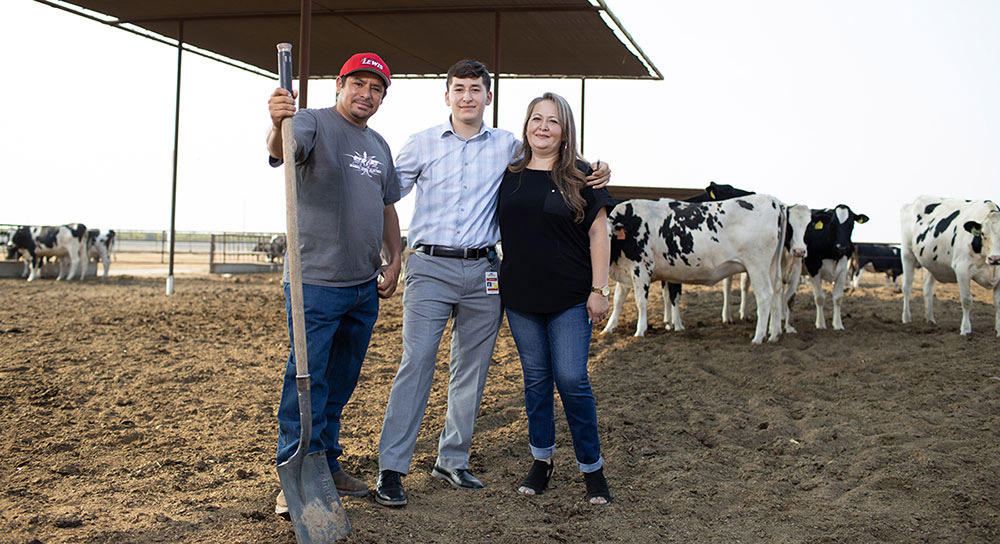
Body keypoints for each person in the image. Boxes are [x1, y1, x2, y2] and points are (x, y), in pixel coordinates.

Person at [374, 60, 610, 507]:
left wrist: (598, 167)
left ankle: (452, 460)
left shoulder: (507, 147)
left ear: (489, 97)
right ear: (446, 96)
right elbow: (384, 196)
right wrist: (387, 254)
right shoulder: (420, 145)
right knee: (417, 361)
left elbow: (558, 159)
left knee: (472, 370)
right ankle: (392, 468)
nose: (467, 97)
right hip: (430, 266)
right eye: (458, 89)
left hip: (485, 271)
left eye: (475, 89)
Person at [266, 52, 402, 515]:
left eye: (376, 88)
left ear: (383, 97)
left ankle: (325, 462)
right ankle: (295, 475)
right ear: (339, 85)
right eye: (358, 84)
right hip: (315, 282)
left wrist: (395, 258)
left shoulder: (380, 146)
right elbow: (284, 149)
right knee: (305, 380)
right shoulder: (311, 123)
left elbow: (387, 206)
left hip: (363, 286)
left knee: (340, 382)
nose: (366, 94)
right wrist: (277, 122)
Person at [497, 92, 614, 506]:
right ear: (526, 125)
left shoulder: (583, 175)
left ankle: (592, 467)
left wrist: (599, 290)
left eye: (553, 121)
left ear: (565, 132)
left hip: (570, 297)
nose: (542, 127)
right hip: (521, 297)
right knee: (536, 381)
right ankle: (541, 460)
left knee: (571, 379)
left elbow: (599, 233)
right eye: (536, 119)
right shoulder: (509, 173)